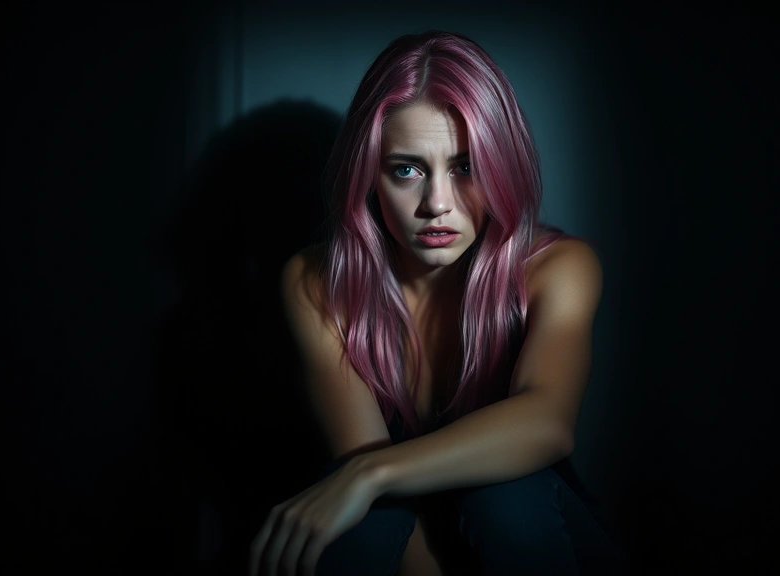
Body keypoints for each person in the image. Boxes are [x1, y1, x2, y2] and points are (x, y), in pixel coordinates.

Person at [250, 30, 623, 576]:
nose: (437, 205)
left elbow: (547, 421)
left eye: (465, 167)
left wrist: (370, 474)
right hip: (407, 538)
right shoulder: (316, 282)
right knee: (361, 518)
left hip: (540, 537)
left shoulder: (557, 269)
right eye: (407, 169)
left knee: (505, 494)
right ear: (368, 176)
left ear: (502, 165)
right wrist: (364, 479)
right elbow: (366, 473)